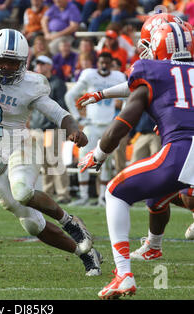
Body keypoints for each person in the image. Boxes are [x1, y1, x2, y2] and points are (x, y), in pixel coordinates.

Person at [0, 28, 103, 276]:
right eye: (1, 60)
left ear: (23, 63)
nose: (5, 67)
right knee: (32, 224)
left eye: (12, 63)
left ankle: (71, 222)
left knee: (23, 192)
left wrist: (72, 128)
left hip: (20, 144)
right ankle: (86, 254)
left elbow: (57, 112)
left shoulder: (30, 84)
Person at [78, 22, 194, 299]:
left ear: (158, 47)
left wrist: (98, 154)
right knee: (157, 197)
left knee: (116, 191)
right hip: (184, 152)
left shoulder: (151, 71)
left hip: (182, 151)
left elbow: (123, 123)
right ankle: (153, 245)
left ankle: (123, 274)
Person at [65, 52, 126, 207]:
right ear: (97, 63)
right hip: (91, 124)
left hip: (108, 126)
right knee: (83, 159)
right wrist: (78, 118)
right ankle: (84, 196)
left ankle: (102, 198)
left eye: (107, 62)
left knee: (106, 161)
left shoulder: (118, 77)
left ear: (111, 64)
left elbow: (128, 99)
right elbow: (70, 96)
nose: (104, 65)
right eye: (101, 62)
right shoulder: (89, 75)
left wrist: (121, 120)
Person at [29, 55, 71, 204]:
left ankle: (63, 194)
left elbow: (61, 108)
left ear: (49, 66)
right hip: (37, 128)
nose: (38, 66)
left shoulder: (57, 83)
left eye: (42, 64)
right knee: (44, 162)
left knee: (55, 161)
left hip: (51, 129)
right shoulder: (35, 83)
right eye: (37, 64)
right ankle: (47, 192)